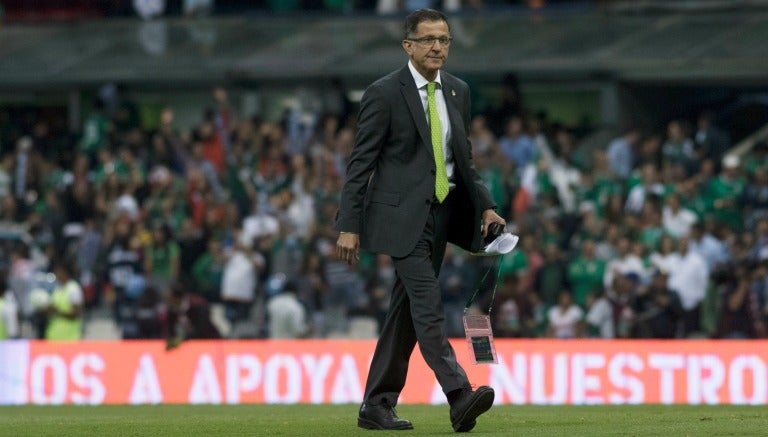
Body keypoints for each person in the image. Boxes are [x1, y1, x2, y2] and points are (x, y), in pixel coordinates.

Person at [335, 9, 504, 432]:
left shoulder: (458, 91)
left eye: (444, 39)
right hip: (401, 219)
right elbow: (361, 164)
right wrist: (349, 224)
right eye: (428, 39)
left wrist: (485, 206)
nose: (437, 47)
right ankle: (459, 394)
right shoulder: (384, 92)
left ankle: (376, 405)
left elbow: (463, 159)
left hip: (443, 216)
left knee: (406, 313)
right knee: (427, 307)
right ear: (407, 45)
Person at [45, 260, 85, 341]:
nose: (56, 275)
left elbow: (77, 313)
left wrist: (58, 312)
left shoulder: (73, 288)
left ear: (65, 272)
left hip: (70, 339)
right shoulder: (58, 289)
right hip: (54, 338)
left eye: (58, 272)